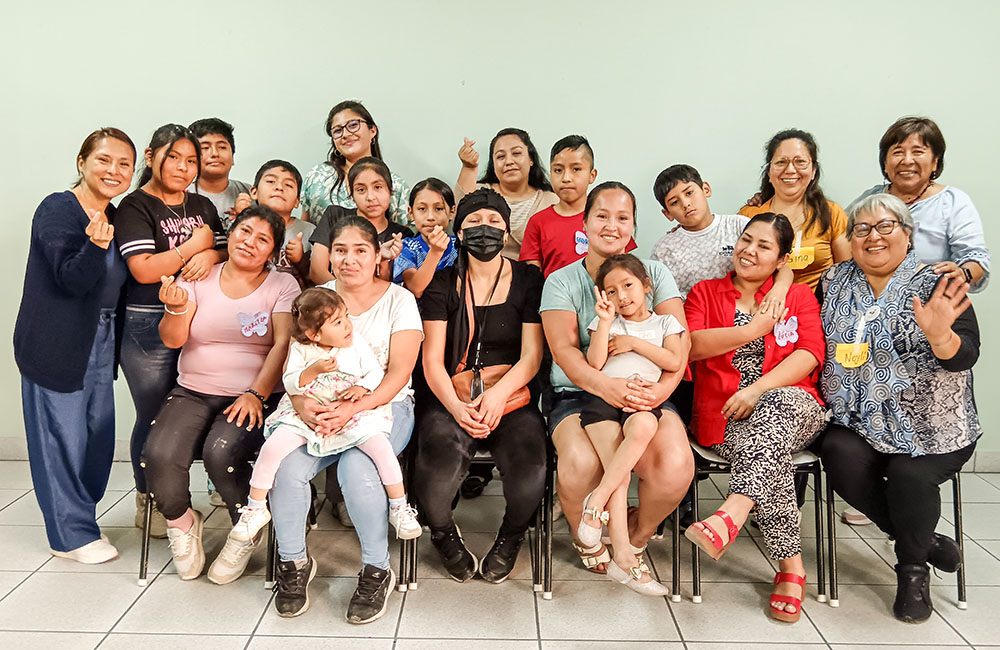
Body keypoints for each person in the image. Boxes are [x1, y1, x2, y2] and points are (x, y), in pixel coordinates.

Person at [815, 193, 981, 623]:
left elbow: (965, 356)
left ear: (907, 235)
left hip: (931, 425)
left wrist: (941, 335)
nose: (873, 237)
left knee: (909, 476)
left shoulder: (938, 283)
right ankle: (923, 541)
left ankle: (912, 570)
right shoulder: (833, 282)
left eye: (886, 226)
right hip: (857, 418)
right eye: (862, 229)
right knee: (837, 453)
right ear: (850, 240)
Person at [268, 216, 422, 624]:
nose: (349, 259)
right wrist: (302, 405)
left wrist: (355, 408)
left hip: (382, 405)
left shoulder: (399, 300)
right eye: (340, 250)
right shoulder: (317, 297)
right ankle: (294, 562)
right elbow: (297, 365)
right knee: (284, 468)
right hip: (317, 406)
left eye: (360, 250)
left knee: (358, 470)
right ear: (329, 257)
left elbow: (400, 372)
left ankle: (377, 568)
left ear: (377, 256)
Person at [540, 181, 693, 579]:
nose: (612, 225)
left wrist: (659, 392)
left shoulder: (654, 274)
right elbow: (565, 352)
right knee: (579, 462)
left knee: (674, 465)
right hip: (579, 393)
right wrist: (604, 386)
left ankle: (638, 532)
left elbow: (679, 342)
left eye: (622, 217)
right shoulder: (560, 280)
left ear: (634, 227)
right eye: (601, 216)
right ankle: (585, 534)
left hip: (648, 391)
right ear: (584, 223)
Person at [141, 205, 299, 583]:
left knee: (221, 452)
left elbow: (283, 346)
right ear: (232, 234)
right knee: (158, 455)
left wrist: (256, 394)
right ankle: (182, 524)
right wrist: (176, 308)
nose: (250, 243)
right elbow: (173, 339)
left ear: (273, 250)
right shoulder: (199, 275)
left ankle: (246, 529)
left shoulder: (282, 285)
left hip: (255, 395)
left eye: (263, 239)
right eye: (245, 232)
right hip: (194, 389)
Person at [218, 287, 420, 580]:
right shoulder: (304, 347)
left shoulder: (356, 343)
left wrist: (360, 390)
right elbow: (291, 380)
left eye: (346, 317)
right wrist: (312, 374)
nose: (348, 325)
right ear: (314, 334)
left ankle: (399, 507)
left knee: (378, 448)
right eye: (338, 322)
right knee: (274, 449)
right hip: (312, 411)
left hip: (353, 409)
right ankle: (256, 509)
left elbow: (376, 372)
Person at [683, 212, 826, 623]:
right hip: (725, 419)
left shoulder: (796, 296)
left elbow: (810, 354)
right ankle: (791, 570)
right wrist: (757, 327)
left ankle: (734, 510)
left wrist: (757, 389)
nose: (749, 250)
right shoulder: (705, 293)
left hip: (795, 406)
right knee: (768, 452)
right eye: (746, 240)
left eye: (764, 246)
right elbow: (692, 346)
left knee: (777, 410)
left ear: (782, 260)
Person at [14, 128, 135, 564]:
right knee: (60, 438)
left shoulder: (119, 217)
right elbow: (70, 278)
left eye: (124, 164)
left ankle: (81, 513)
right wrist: (94, 244)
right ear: (82, 162)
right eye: (104, 160)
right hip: (56, 342)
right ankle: (69, 536)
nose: (114, 171)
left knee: (97, 436)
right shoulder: (58, 209)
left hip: (102, 339)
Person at [415, 188, 547, 584]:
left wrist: (497, 395)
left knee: (531, 465)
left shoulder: (528, 278)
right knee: (435, 466)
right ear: (458, 230)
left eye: (493, 222)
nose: (484, 229)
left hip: (510, 391)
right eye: (473, 222)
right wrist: (458, 409)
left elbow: (532, 356)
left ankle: (511, 536)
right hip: (451, 393)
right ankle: (443, 534)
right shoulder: (442, 282)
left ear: (507, 230)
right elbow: (431, 360)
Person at [114, 124, 228, 537]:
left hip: (200, 318)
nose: (183, 167)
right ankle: (151, 500)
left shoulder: (201, 204)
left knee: (189, 410)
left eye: (191, 160)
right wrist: (190, 248)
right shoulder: (135, 206)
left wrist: (210, 250)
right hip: (147, 319)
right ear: (151, 157)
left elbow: (225, 250)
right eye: (174, 157)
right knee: (154, 413)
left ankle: (177, 495)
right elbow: (143, 269)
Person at [577, 254, 685, 595]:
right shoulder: (607, 323)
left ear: (646, 286)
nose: (621, 296)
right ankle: (625, 558)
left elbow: (673, 360)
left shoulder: (666, 324)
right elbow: (594, 364)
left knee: (643, 428)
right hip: (603, 401)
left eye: (628, 286)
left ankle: (596, 502)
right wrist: (606, 324)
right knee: (620, 474)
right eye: (611, 291)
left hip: (641, 402)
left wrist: (634, 343)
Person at [848, 116, 989, 291]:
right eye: (898, 152)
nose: (907, 161)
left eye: (917, 152)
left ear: (935, 162)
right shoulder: (869, 199)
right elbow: (840, 237)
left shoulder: (953, 201)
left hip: (932, 303)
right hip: (871, 303)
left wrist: (962, 273)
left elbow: (975, 258)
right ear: (885, 163)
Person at [739, 129, 850, 290]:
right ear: (769, 172)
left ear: (813, 171)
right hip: (761, 310)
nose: (790, 170)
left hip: (819, 311)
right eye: (781, 162)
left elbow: (847, 276)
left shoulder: (832, 214)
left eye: (800, 161)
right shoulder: (748, 216)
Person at [300, 100, 410, 225]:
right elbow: (305, 230)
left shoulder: (396, 185)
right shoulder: (317, 177)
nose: (345, 134)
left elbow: (402, 238)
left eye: (353, 125)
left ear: (372, 130)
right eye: (337, 131)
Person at [455, 128, 558, 260]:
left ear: (531, 159)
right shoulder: (480, 193)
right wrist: (468, 167)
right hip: (480, 276)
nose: (509, 161)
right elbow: (458, 214)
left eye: (516, 153)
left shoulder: (550, 200)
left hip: (533, 277)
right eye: (500, 156)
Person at [310, 157, 414, 285]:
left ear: (390, 190)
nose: (370, 197)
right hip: (333, 300)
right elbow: (317, 272)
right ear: (352, 194)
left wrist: (382, 261)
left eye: (378, 187)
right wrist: (346, 298)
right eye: (361, 190)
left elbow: (387, 285)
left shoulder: (402, 235)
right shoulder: (335, 216)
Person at [521, 136, 603, 277]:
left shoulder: (606, 217)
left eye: (576, 169)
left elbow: (621, 262)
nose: (566, 178)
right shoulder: (538, 222)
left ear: (592, 175)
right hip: (554, 297)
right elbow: (531, 277)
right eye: (558, 170)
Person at [236, 160, 315, 288]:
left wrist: (300, 260)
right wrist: (240, 218)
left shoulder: (309, 231)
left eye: (288, 185)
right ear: (254, 192)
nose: (279, 187)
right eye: (271, 181)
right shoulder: (242, 226)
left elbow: (314, 278)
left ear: (297, 201)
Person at [392, 178, 458, 297]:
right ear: (411, 213)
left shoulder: (459, 246)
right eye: (422, 209)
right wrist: (435, 252)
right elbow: (416, 289)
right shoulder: (405, 247)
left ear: (452, 212)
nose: (430, 217)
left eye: (438, 209)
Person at [189, 118, 251, 231]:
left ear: (233, 158)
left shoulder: (250, 194)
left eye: (222, 147)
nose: (214, 154)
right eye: (205, 148)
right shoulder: (181, 195)